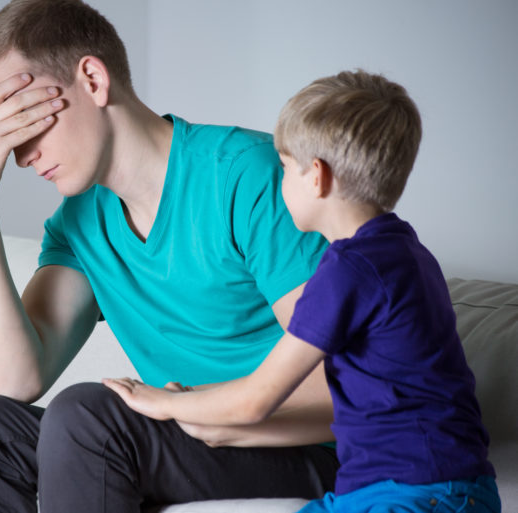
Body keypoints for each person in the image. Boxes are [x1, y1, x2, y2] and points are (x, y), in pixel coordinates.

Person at [0, 1, 338, 511]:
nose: (18, 154)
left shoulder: (244, 176)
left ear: (93, 81)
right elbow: (13, 380)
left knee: (89, 415)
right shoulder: (79, 224)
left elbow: (342, 385)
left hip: (305, 451)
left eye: (22, 118)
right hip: (186, 435)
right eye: (1, 135)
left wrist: (196, 411)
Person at [104, 70, 502, 512]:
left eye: (284, 167)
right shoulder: (405, 251)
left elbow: (259, 397)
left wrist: (161, 400)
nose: (278, 183)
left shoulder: (346, 272)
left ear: (317, 177)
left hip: (418, 490)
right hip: (421, 484)